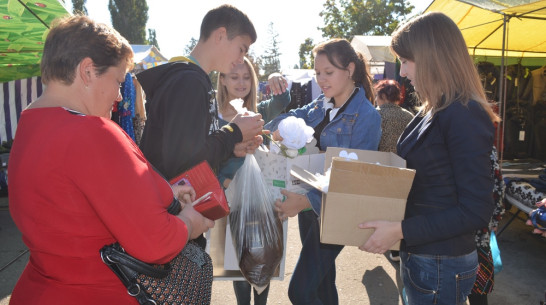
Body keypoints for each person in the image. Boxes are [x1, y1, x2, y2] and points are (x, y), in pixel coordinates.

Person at [8, 15, 214, 305]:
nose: (119, 95)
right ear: (88, 71)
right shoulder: (92, 133)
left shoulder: (30, 124)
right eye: (118, 80)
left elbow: (77, 204)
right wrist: (190, 222)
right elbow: (157, 243)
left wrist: (162, 193)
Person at [358, 12, 501, 305]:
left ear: (432, 58)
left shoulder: (463, 113)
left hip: (440, 261)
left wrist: (399, 230)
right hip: (426, 257)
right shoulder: (436, 110)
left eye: (406, 61)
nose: (403, 72)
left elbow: (475, 210)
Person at [267, 38, 381, 305]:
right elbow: (290, 117)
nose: (321, 79)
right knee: (322, 285)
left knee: (300, 291)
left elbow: (354, 179)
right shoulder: (322, 103)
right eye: (318, 73)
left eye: (328, 72)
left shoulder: (367, 116)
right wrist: (277, 128)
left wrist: (305, 202)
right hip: (310, 205)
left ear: (350, 69)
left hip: (333, 210)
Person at [137, 4, 264, 182]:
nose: (241, 59)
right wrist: (234, 131)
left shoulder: (190, 79)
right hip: (171, 205)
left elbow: (194, 152)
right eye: (241, 49)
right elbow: (183, 163)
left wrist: (231, 149)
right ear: (220, 35)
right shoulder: (189, 82)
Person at [216, 57, 291, 305]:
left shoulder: (257, 112)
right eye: (234, 77)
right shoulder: (215, 118)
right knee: (238, 260)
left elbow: (283, 101)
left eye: (247, 77)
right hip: (230, 199)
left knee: (263, 254)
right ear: (222, 80)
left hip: (262, 198)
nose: (241, 82)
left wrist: (275, 78)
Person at [373, 79, 414, 262]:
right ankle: (397, 248)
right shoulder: (409, 116)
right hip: (403, 166)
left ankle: (381, 240)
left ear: (381, 96)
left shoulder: (375, 115)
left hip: (380, 167)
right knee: (400, 207)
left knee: (382, 207)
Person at [468, 146, 505, 305]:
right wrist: (495, 219)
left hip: (445, 235)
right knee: (478, 292)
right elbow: (498, 186)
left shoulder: (442, 138)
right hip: (478, 233)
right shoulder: (485, 145)